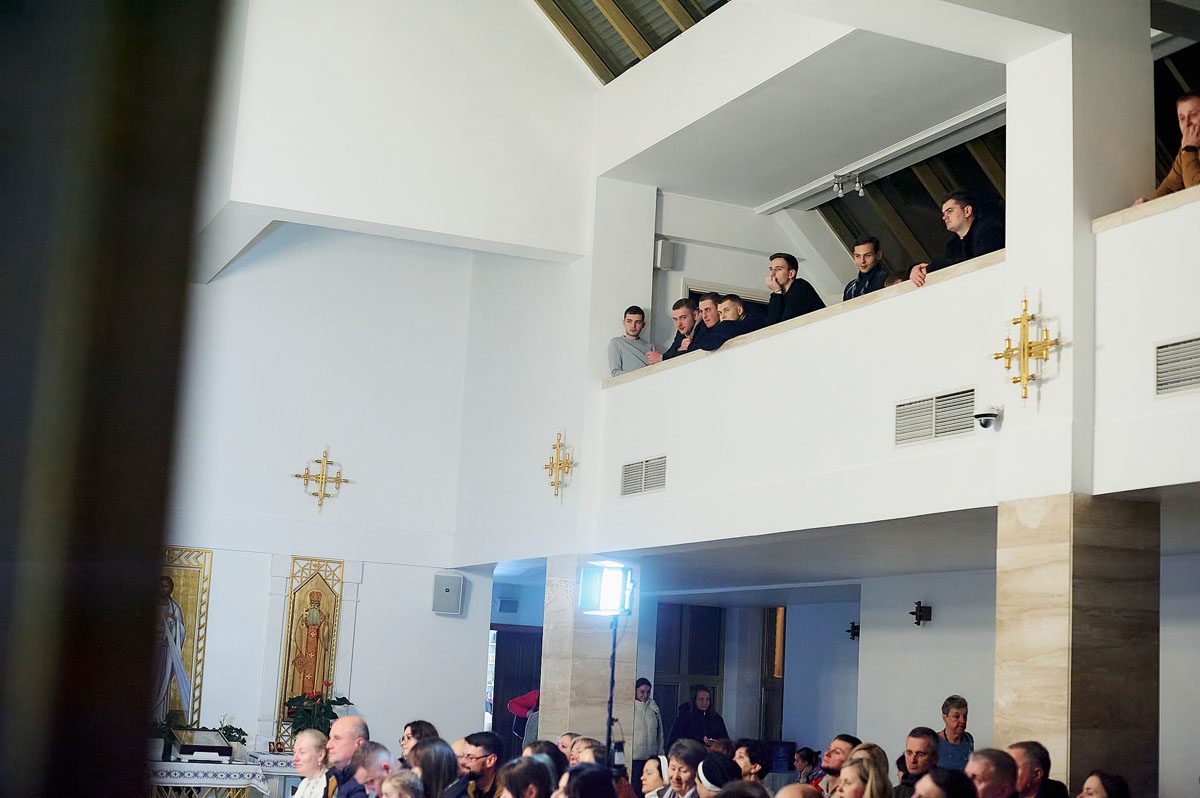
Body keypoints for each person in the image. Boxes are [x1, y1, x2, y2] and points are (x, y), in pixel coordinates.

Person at [908, 193, 1003, 287]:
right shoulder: (952, 245)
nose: (944, 217)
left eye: (949, 211)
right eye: (943, 213)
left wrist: (930, 268)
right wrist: (916, 269)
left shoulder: (989, 230)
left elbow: (977, 263)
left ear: (967, 211)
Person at [1136, 92, 1200, 204]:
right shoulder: (1186, 150)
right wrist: (1149, 202)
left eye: (1194, 115)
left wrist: (1189, 149)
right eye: (1182, 118)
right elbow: (1171, 185)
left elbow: (1196, 193)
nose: (1187, 123)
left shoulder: (1189, 149)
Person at [151, 575, 192, 722]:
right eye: (161, 586)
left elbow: (181, 631)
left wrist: (174, 623)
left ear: (171, 589)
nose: (163, 589)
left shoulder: (175, 609)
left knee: (161, 680)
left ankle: (158, 717)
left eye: (166, 586)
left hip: (165, 651)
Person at [764, 252, 824, 325]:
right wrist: (777, 293)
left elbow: (788, 320)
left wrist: (777, 292)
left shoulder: (800, 286)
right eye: (771, 269)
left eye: (778, 269)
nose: (772, 274)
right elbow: (770, 324)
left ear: (791, 274)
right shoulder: (777, 295)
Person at [694, 295, 764, 351]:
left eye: (727, 310)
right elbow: (705, 343)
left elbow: (709, 343)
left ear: (739, 310)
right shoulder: (722, 327)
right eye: (720, 313)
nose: (723, 316)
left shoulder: (755, 320)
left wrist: (724, 325)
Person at [446, 731, 505, 798]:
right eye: (462, 756)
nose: (462, 762)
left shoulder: (508, 790)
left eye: (470, 757)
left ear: (490, 760)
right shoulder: (466, 786)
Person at [328, 716, 371, 798]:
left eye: (337, 738)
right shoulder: (333, 776)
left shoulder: (369, 784)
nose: (328, 745)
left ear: (359, 744)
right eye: (330, 738)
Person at [633, 677, 665, 787]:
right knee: (635, 787)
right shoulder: (630, 708)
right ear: (635, 691)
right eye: (642, 692)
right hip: (634, 758)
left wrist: (660, 754)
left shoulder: (654, 707)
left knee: (650, 787)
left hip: (650, 758)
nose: (645, 695)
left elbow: (660, 733)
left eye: (648, 692)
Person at [649, 299, 701, 363]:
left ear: (695, 315)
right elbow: (670, 352)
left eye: (683, 317)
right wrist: (681, 349)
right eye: (676, 319)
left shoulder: (703, 329)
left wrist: (662, 358)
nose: (679, 324)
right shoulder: (681, 331)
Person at [608, 306, 654, 376]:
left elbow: (654, 371)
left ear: (643, 324)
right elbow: (616, 373)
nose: (633, 326)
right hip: (629, 382)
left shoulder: (650, 346)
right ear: (624, 322)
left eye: (638, 322)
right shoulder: (616, 343)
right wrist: (640, 375)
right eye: (629, 321)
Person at [294, 728, 339, 798]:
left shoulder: (332, 784)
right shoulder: (304, 784)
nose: (295, 758)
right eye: (294, 752)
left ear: (320, 755)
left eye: (302, 752)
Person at [895, 728, 939, 798]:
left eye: (920, 754)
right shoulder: (893, 793)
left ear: (935, 758)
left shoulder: (946, 791)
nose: (912, 760)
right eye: (909, 753)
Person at [842, 237, 888, 301]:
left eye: (867, 255)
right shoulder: (850, 288)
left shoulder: (886, 280)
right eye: (857, 256)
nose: (862, 261)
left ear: (878, 255)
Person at [936, 697, 973, 770]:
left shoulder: (968, 739)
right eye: (956, 717)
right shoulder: (934, 741)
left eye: (965, 716)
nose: (962, 721)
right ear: (944, 718)